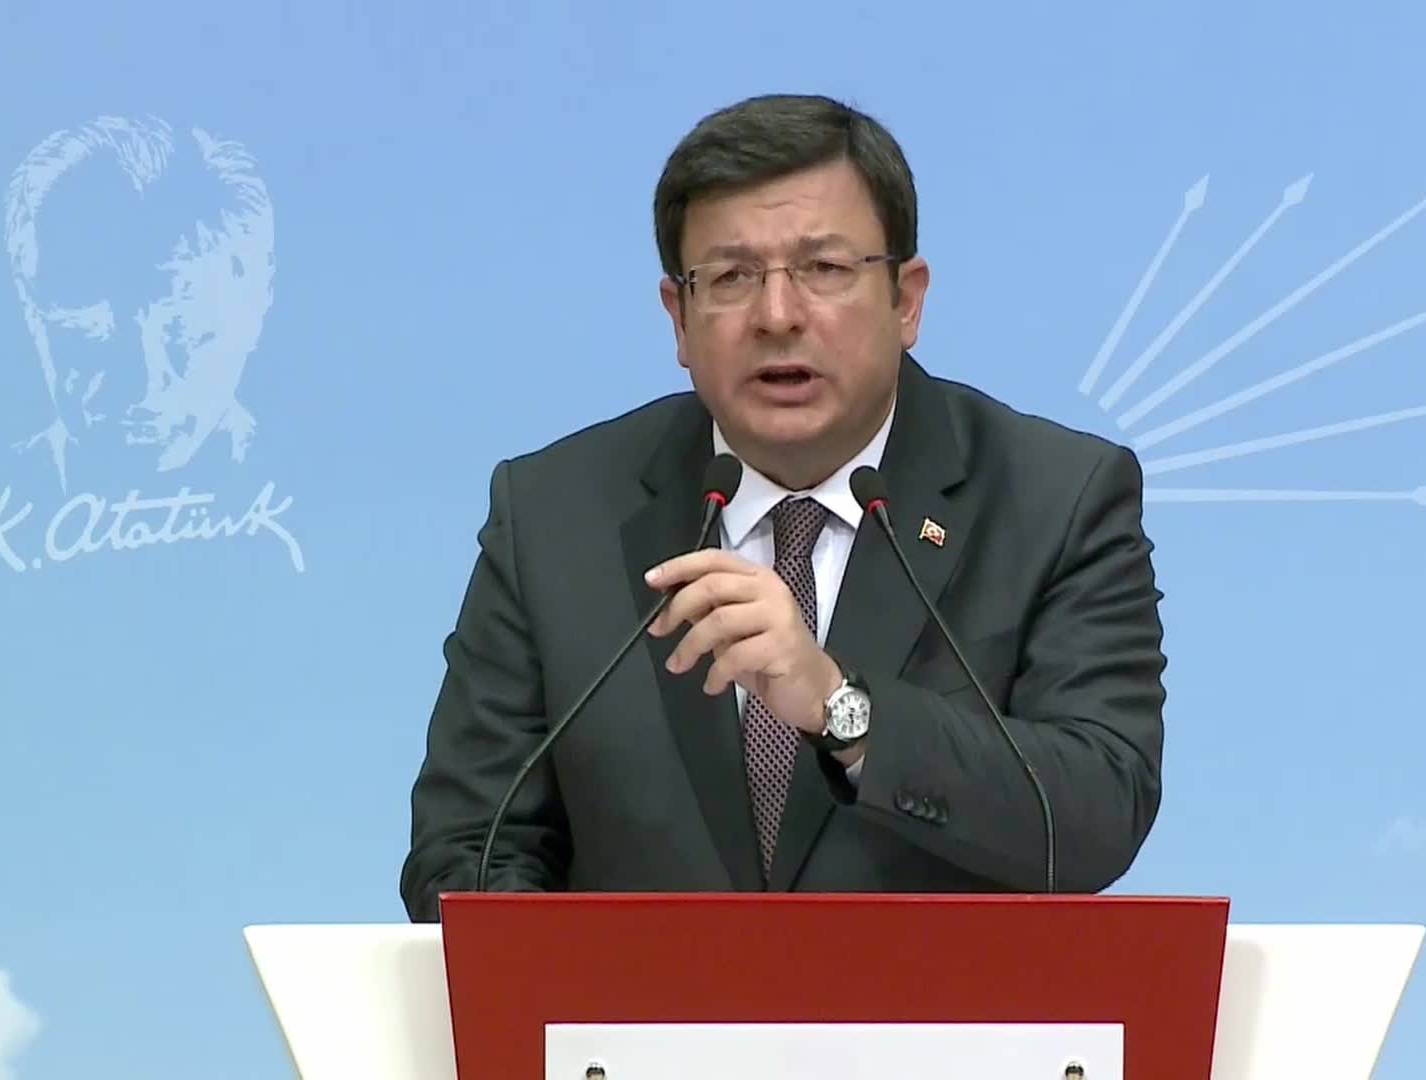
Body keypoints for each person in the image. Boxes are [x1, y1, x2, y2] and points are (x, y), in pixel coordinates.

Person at [399, 93, 1167, 917]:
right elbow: (469, 847)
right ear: (679, 318)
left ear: (907, 300)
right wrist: (581, 982)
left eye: (824, 269)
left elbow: (1096, 813)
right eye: (731, 277)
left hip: (937, 1004)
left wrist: (840, 707)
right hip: (636, 1005)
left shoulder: (1056, 499)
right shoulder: (553, 515)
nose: (776, 315)